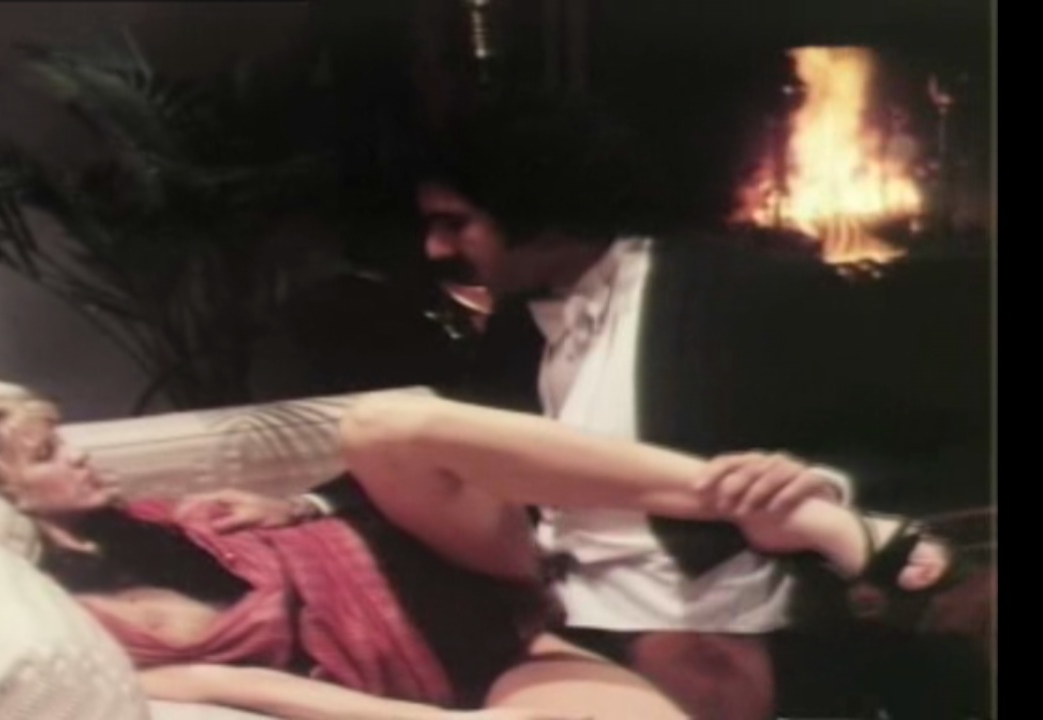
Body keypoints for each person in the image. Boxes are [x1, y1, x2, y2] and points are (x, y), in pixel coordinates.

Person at [305, 94, 990, 719]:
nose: (436, 249)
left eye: (456, 224)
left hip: (710, 606)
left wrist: (817, 485)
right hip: (561, 596)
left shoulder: (739, 293)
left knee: (691, 677)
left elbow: (936, 436)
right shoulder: (519, 322)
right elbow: (473, 440)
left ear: (541, 216)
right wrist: (309, 503)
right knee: (386, 429)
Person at [0, 391, 688, 720]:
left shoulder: (140, 519)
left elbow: (325, 536)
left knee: (386, 426)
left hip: (453, 559)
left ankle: (715, 493)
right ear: (0, 494)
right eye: (45, 455)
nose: (77, 453)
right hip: (480, 659)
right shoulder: (73, 620)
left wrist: (295, 507)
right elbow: (227, 686)